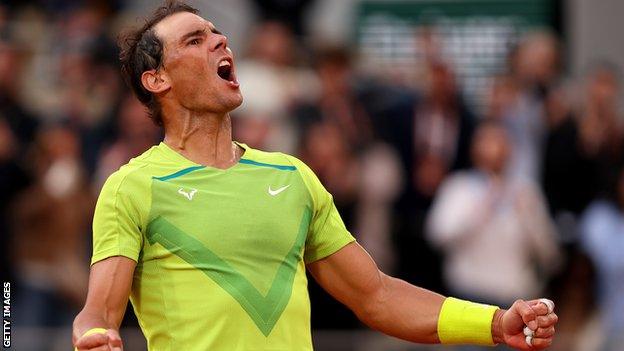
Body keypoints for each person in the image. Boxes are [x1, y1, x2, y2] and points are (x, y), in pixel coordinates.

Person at [72, 2, 559, 350]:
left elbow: (378, 296)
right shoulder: (131, 187)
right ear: (157, 80)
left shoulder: (292, 176)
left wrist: (494, 323)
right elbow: (99, 313)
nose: (219, 40)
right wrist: (94, 338)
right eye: (194, 40)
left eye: (217, 33)